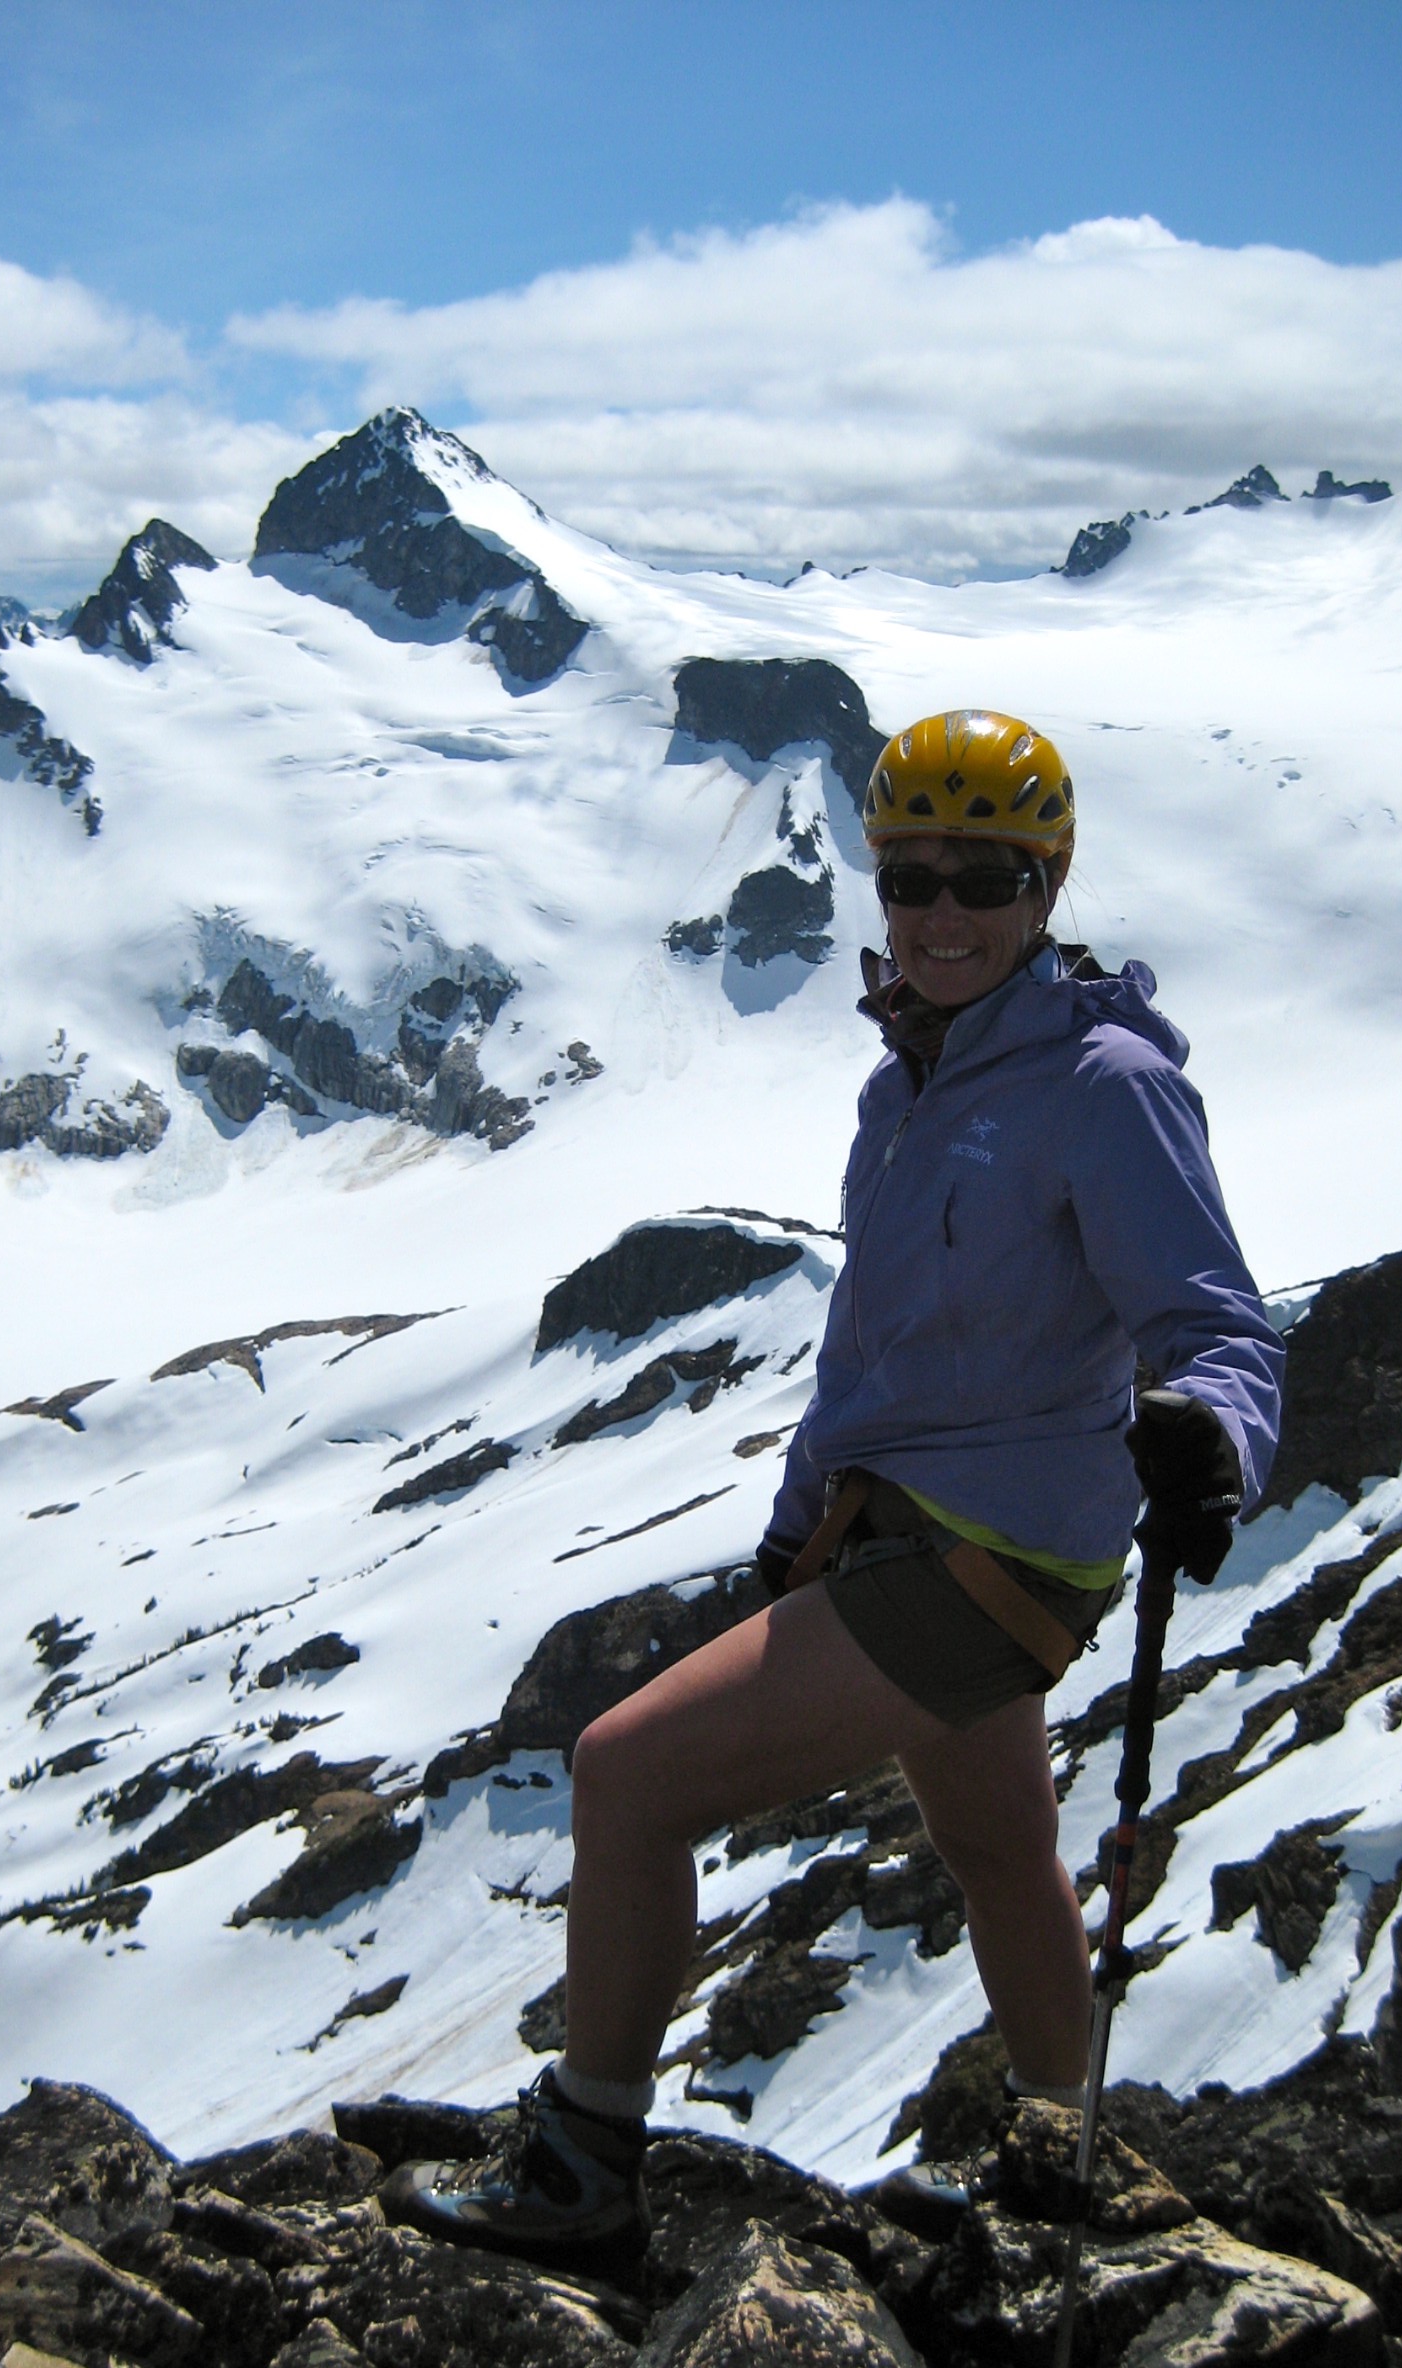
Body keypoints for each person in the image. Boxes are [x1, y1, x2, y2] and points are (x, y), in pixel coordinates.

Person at [384, 707, 1283, 2268]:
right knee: (1002, 1849)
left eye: (982, 879)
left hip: (996, 1552)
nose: (941, 913)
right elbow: (872, 1334)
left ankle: (586, 2163)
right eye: (910, 878)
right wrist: (802, 1522)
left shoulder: (1104, 1081)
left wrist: (1213, 1427)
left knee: (625, 1775)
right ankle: (1061, 2165)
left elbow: (1213, 1318)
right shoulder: (909, 1086)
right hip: (906, 1529)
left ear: (1045, 889)